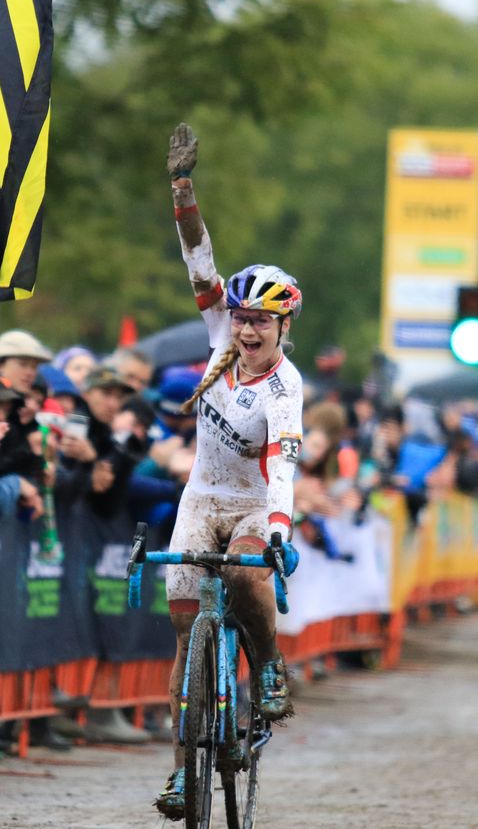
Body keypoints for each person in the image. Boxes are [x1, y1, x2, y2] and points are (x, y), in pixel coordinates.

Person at [155, 124, 304, 819]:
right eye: (242, 317)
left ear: (282, 329)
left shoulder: (284, 389)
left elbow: (284, 464)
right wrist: (183, 193)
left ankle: (269, 664)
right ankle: (182, 772)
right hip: (200, 496)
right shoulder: (219, 332)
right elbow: (197, 256)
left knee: (246, 573)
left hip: (252, 504)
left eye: (262, 323)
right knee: (185, 628)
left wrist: (277, 527)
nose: (247, 331)